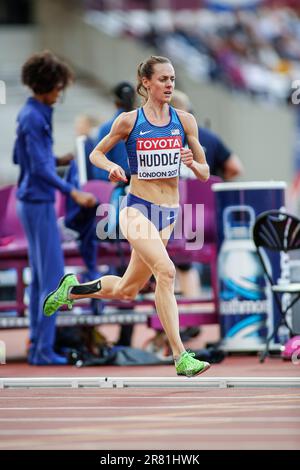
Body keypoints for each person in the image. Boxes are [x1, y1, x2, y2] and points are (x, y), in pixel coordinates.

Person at [43, 55, 211, 377]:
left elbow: (204, 173)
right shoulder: (129, 122)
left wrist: (192, 162)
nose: (169, 85)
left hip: (168, 214)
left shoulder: (185, 121)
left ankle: (72, 289)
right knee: (166, 271)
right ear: (146, 83)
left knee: (127, 290)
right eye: (163, 79)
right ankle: (181, 356)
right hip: (136, 210)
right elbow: (95, 153)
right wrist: (112, 167)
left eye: (172, 79)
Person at [13, 51, 96, 365]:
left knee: (40, 278)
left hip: (31, 200)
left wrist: (59, 160)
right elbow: (38, 168)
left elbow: (19, 159)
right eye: (58, 88)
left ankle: (38, 347)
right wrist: (73, 192)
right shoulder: (34, 117)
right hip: (37, 201)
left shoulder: (32, 112)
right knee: (52, 278)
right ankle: (44, 349)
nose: (60, 94)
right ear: (47, 85)